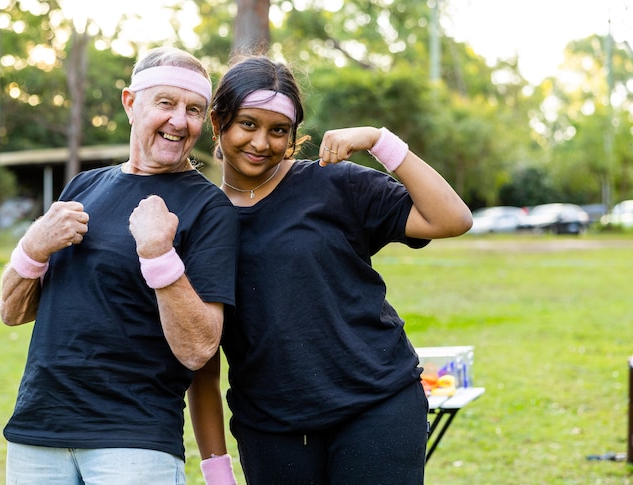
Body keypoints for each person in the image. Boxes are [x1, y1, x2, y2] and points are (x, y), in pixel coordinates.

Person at [189, 56, 473, 485]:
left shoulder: (334, 183)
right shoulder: (198, 220)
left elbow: (452, 219)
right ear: (218, 122)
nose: (261, 142)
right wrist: (216, 471)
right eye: (248, 124)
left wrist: (380, 141)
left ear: (293, 136)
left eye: (278, 130)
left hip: (377, 406)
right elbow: (202, 363)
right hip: (270, 428)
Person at [0, 46, 239, 485]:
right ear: (131, 103)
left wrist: (158, 254)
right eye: (165, 103)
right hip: (38, 431)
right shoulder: (83, 186)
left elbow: (199, 349)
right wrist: (33, 245)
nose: (180, 121)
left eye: (194, 110)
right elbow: (12, 312)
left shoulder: (209, 207)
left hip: (133, 440)